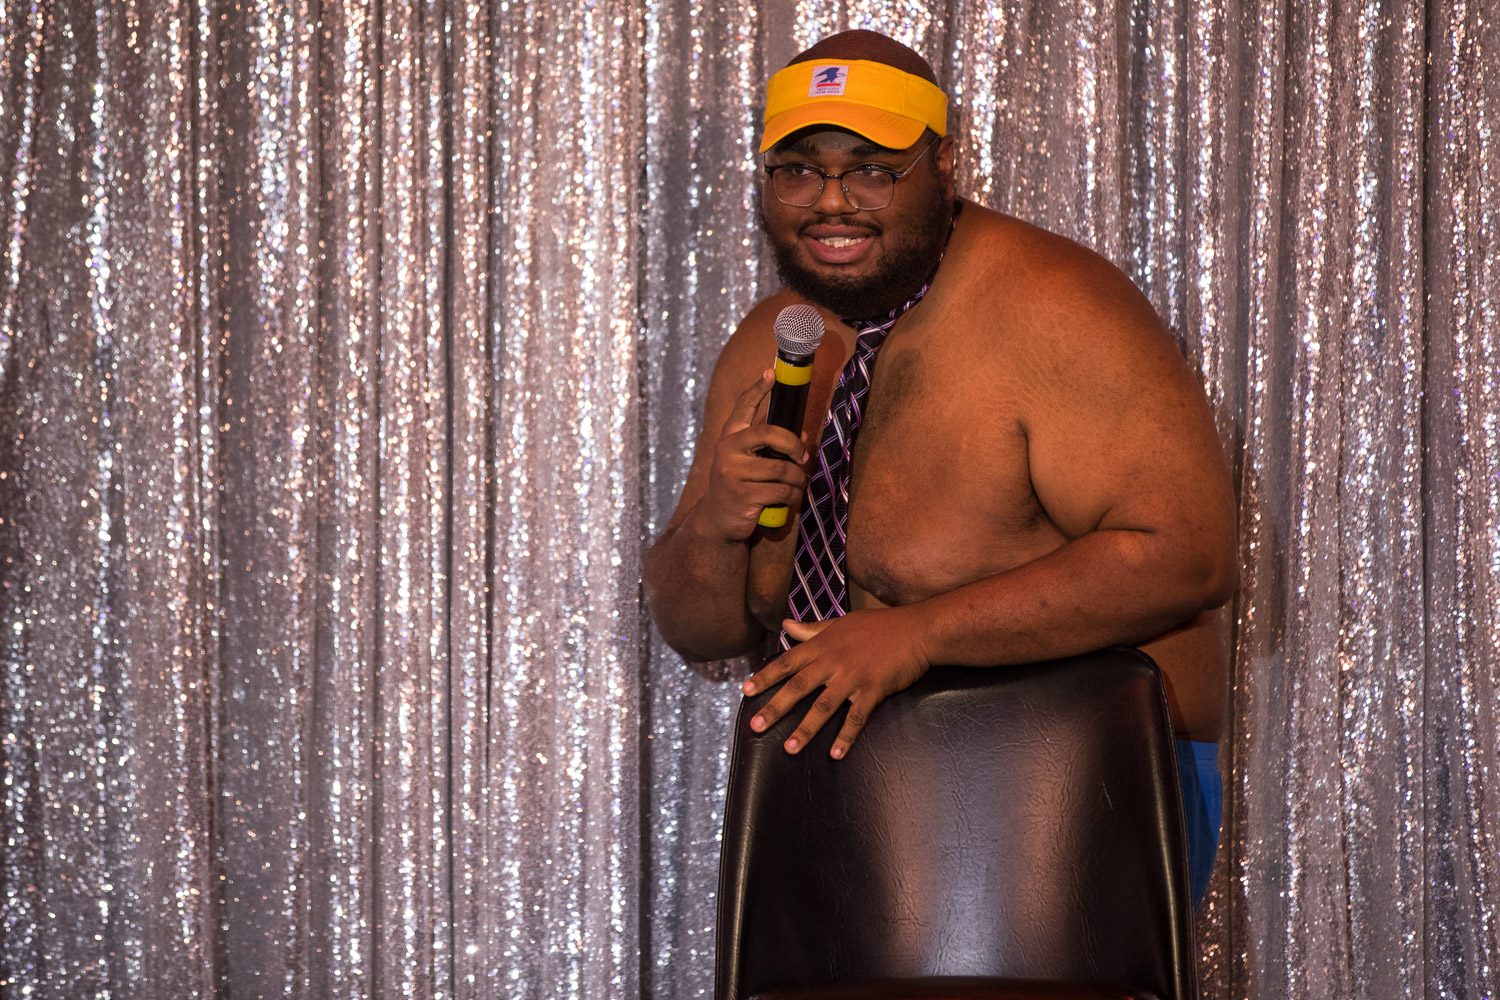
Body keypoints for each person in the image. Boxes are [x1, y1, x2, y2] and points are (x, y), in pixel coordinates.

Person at [642, 29, 1237, 907]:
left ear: (943, 164)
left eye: (874, 169)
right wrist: (716, 523)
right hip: (837, 795)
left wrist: (917, 635)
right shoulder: (772, 344)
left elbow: (1188, 553)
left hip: (1066, 788)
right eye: (798, 171)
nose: (831, 203)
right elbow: (703, 631)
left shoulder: (1056, 308)